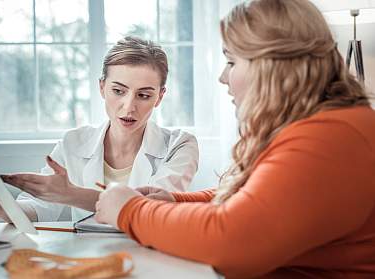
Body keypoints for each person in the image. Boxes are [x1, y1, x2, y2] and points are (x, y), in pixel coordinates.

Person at [94, 1, 375, 278]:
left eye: (231, 62)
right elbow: (256, 199)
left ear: (272, 66)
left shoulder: (334, 137)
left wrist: (130, 210)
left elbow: (234, 238)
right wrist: (175, 201)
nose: (222, 77)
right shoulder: (323, 126)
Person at [0, 36, 199, 222]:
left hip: (152, 255)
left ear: (159, 97)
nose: (129, 107)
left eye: (144, 95)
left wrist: (70, 194)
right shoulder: (73, 143)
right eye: (118, 91)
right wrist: (0, 208)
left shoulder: (180, 145)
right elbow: (39, 209)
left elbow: (151, 209)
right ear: (102, 87)